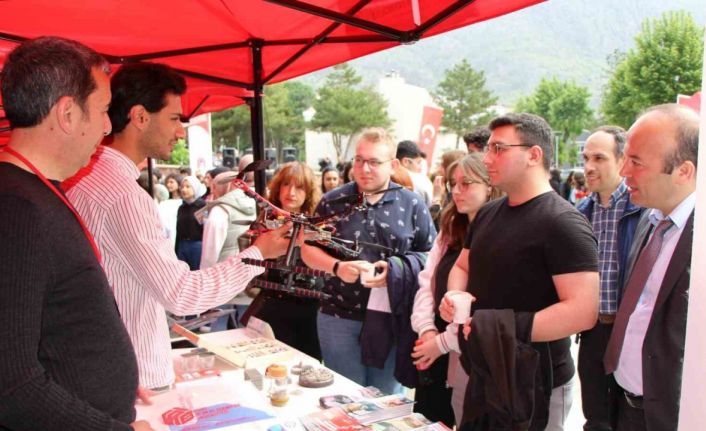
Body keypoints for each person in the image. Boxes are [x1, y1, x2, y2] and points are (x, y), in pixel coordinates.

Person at [66, 62, 294, 390]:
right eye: (174, 118)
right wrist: (258, 254)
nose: (180, 131)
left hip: (113, 371)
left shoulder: (89, 179)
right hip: (134, 380)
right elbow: (182, 294)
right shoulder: (123, 195)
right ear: (140, 117)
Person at [0, 36, 151, 431]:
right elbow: (11, 385)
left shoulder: (34, 193)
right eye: (102, 111)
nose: (106, 127)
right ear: (67, 113)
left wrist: (111, 376)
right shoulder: (16, 209)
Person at [442, 113, 599, 430]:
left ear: (534, 155)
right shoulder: (487, 214)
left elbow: (583, 312)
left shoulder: (563, 223)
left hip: (537, 380)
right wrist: (453, 294)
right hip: (483, 369)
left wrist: (502, 327)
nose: (487, 158)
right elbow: (462, 265)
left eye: (498, 148)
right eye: (488, 148)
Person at [302, 128, 436, 394]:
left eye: (374, 162)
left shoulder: (411, 203)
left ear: (393, 165)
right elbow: (307, 248)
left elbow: (432, 256)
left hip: (393, 315)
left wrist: (396, 270)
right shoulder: (333, 201)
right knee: (345, 397)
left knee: (385, 399)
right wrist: (337, 267)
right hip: (338, 315)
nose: (364, 168)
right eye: (359, 160)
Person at [603, 104, 698, 431]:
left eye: (637, 162)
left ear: (683, 171)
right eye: (626, 158)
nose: (624, 171)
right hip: (625, 405)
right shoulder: (649, 219)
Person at [410, 154, 502, 427]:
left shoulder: (499, 234)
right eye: (453, 183)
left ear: (489, 186)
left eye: (467, 183)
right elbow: (428, 282)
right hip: (435, 342)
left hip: (469, 349)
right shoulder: (450, 226)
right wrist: (426, 328)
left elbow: (485, 302)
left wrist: (442, 344)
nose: (457, 190)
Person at [576, 127, 643, 431]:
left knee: (628, 416)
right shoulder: (580, 212)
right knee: (595, 416)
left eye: (599, 158)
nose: (589, 166)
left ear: (622, 160)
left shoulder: (643, 210)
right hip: (592, 331)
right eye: (586, 157)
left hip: (629, 331)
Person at [249, 162, 323, 359]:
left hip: (309, 307)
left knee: (307, 364)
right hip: (272, 304)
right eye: (286, 185)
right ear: (278, 187)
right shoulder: (264, 220)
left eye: (299, 187)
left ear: (308, 192)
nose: (291, 192)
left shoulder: (319, 224)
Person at [175, 175, 207, 270]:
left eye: (188, 187)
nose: (184, 190)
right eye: (182, 187)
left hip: (197, 246)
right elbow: (178, 229)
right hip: (182, 245)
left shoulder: (202, 206)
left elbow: (205, 228)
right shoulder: (182, 208)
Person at [396, 140, 433, 205]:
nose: (420, 167)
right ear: (406, 162)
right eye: (418, 162)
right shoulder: (421, 181)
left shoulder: (383, 178)